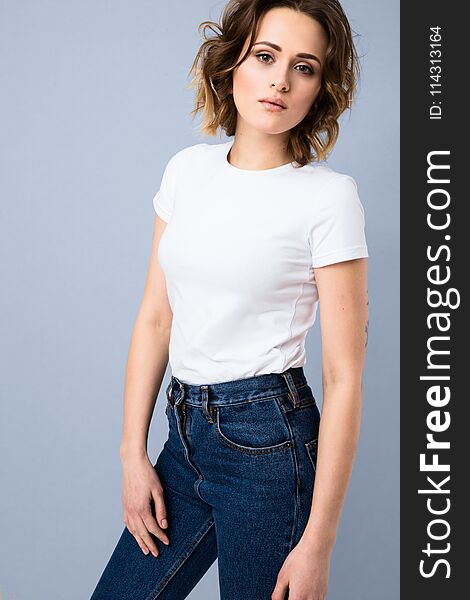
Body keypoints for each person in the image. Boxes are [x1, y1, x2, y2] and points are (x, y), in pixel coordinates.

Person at [89, 0, 369, 598]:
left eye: (305, 66)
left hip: (270, 445)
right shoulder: (187, 171)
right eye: (265, 56)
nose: (280, 80)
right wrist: (131, 452)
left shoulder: (329, 198)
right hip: (182, 435)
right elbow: (156, 317)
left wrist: (319, 541)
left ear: (320, 87)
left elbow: (344, 376)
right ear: (230, 64)